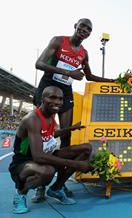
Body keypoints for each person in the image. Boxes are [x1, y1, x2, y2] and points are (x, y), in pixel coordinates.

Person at [33, 18, 115, 199]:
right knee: (42, 133)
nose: (84, 30)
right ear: (75, 26)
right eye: (82, 26)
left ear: (89, 34)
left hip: (66, 91)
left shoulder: (84, 54)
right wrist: (69, 72)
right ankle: (40, 183)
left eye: (88, 29)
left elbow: (89, 76)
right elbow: (39, 64)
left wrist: (114, 81)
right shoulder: (58, 41)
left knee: (66, 136)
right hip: (48, 87)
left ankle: (59, 184)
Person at [9, 86, 92, 213]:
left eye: (60, 99)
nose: (57, 102)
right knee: (48, 171)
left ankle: (56, 189)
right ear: (42, 99)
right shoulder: (32, 119)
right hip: (24, 163)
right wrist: (76, 164)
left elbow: (49, 135)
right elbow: (38, 157)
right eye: (52, 97)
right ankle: (21, 192)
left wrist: (71, 129)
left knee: (86, 148)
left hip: (46, 155)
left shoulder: (51, 115)